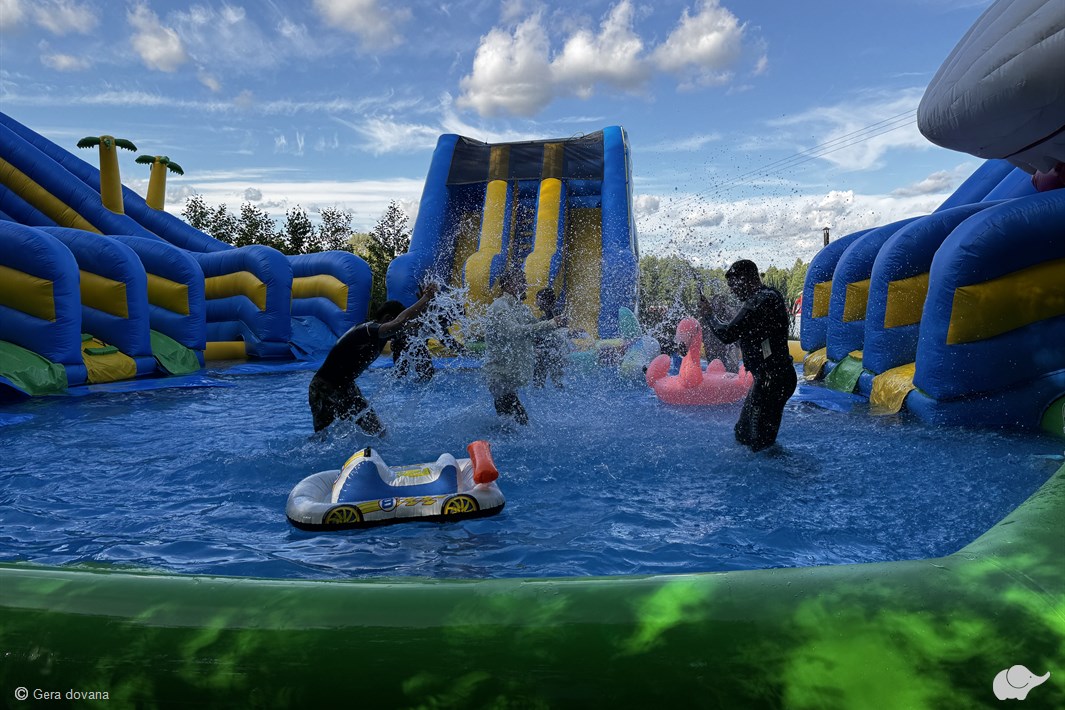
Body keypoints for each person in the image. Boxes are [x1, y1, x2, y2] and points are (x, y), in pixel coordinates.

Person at [308, 284, 437, 435]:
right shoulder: (367, 330)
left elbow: (415, 325)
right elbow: (399, 324)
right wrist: (425, 298)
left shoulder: (382, 336)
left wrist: (427, 305)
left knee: (378, 431)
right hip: (324, 387)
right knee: (322, 436)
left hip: (347, 387)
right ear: (388, 318)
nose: (400, 330)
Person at [699, 259, 796, 452]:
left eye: (734, 285)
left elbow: (727, 334)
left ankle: (787, 469)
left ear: (747, 279)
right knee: (743, 433)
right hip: (768, 379)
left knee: (760, 444)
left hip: (773, 381)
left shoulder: (760, 300)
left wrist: (708, 314)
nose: (733, 291)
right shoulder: (768, 296)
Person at [482, 269, 560, 424]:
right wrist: (551, 324)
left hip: (509, 377)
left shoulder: (521, 308)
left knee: (509, 423)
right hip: (499, 377)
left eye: (525, 281)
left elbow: (538, 329)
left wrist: (554, 320)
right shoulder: (500, 307)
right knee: (520, 421)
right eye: (521, 281)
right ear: (508, 285)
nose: (525, 285)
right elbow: (515, 332)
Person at [532, 288, 567, 389]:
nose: (536, 302)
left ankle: (539, 386)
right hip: (554, 350)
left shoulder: (554, 313)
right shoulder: (550, 313)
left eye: (538, 299)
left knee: (543, 373)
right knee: (556, 378)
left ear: (545, 300)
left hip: (554, 350)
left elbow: (558, 332)